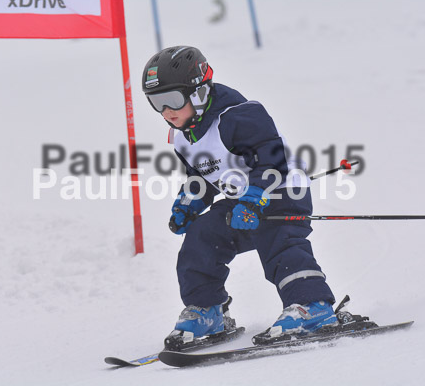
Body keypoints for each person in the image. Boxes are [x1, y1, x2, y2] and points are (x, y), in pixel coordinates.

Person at [141, 46, 337, 346]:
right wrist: (189, 203)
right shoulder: (181, 136)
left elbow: (272, 161)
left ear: (199, 93)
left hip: (281, 192)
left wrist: (254, 198)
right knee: (202, 235)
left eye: (172, 99)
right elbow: (203, 175)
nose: (166, 111)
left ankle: (312, 306)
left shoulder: (240, 115)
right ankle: (207, 311)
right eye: (157, 102)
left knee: (279, 240)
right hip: (240, 203)